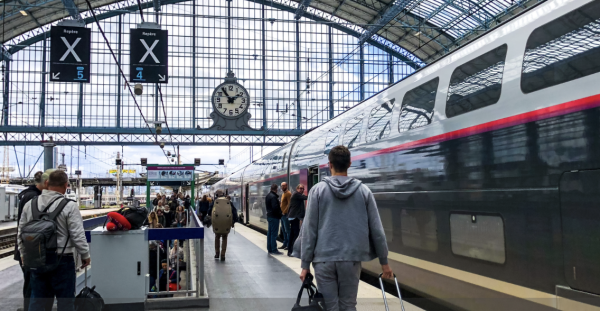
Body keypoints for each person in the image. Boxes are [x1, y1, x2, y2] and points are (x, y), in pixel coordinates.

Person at [299, 146, 392, 311]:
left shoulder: (317, 191)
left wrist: (305, 264)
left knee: (329, 307)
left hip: (323, 260)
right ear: (349, 163)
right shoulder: (364, 191)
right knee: (348, 306)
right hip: (351, 260)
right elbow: (377, 230)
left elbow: (309, 230)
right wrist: (384, 263)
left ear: (330, 165)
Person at [18, 170, 91, 311]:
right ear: (66, 185)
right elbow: (77, 234)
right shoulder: (69, 206)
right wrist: (85, 255)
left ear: (47, 183)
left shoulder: (30, 205)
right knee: (65, 302)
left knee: (38, 299)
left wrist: (22, 253)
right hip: (62, 260)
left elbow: (21, 232)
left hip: (36, 259)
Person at [14, 171, 47, 311]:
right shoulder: (33, 197)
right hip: (30, 248)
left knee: (31, 284)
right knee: (31, 285)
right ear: (45, 183)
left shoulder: (28, 194)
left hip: (28, 246)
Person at [207, 190, 238, 261]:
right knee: (225, 237)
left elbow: (209, 211)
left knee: (217, 237)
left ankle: (217, 253)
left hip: (217, 222)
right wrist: (234, 221)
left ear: (216, 195)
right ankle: (223, 254)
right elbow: (234, 211)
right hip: (226, 222)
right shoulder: (228, 201)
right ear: (223, 194)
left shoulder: (215, 202)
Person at [287, 184, 308, 257]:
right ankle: (292, 251)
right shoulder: (297, 194)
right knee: (295, 234)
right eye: (300, 188)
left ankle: (290, 250)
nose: (302, 190)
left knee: (292, 234)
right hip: (294, 217)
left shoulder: (297, 195)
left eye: (303, 188)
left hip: (293, 217)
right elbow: (306, 197)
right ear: (297, 189)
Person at [265, 184, 282, 255]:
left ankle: (269, 248)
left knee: (270, 233)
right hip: (274, 217)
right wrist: (280, 214)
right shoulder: (274, 197)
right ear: (276, 189)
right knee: (274, 234)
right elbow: (275, 208)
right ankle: (274, 249)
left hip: (269, 216)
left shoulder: (268, 196)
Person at [279, 182, 292, 250]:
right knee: (283, 230)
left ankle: (288, 244)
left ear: (286, 186)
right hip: (282, 215)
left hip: (285, 214)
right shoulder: (283, 194)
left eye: (284, 186)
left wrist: (284, 211)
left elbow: (289, 204)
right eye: (282, 186)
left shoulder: (288, 194)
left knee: (287, 230)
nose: (282, 187)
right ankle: (284, 243)